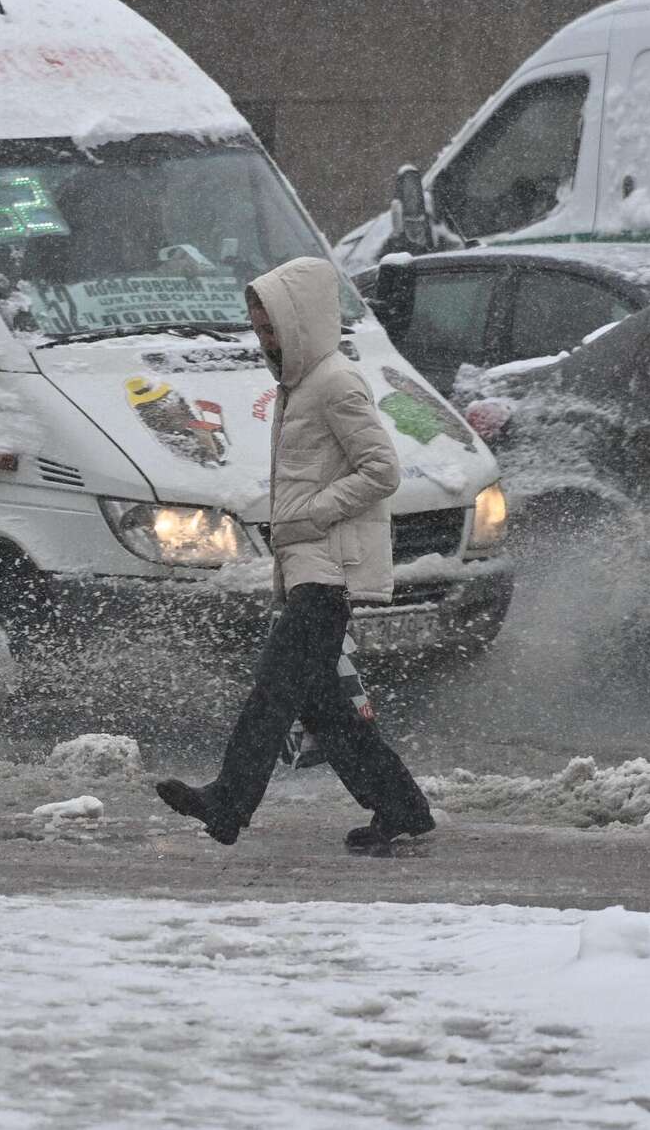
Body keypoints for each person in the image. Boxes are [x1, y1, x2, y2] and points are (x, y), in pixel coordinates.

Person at [155, 256, 437, 852]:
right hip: (309, 566)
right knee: (326, 711)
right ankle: (401, 808)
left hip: (327, 571)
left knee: (273, 690)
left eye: (273, 328)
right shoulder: (299, 385)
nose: (265, 341)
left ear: (303, 321)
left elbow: (381, 469)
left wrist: (310, 515)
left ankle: (228, 803)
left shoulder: (336, 382)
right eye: (258, 330)